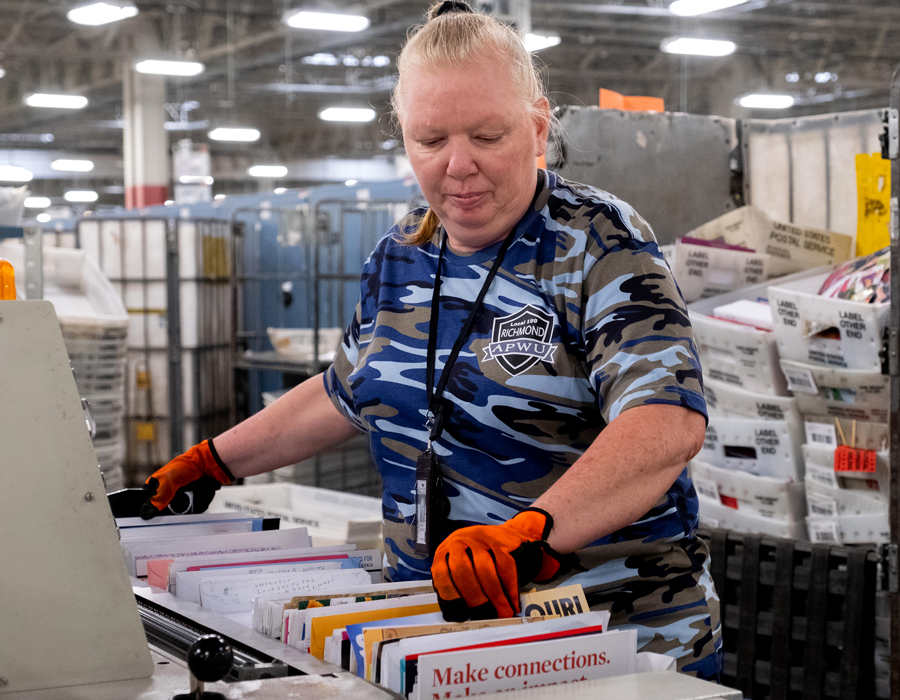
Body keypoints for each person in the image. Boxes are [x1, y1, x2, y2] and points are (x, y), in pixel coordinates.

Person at [141, 0, 721, 681]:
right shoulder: (402, 251)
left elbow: (664, 421)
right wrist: (212, 463)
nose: (459, 165)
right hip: (437, 638)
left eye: (487, 135)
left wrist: (530, 536)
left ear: (537, 126)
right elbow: (346, 390)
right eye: (431, 140)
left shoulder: (596, 241)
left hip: (607, 643)